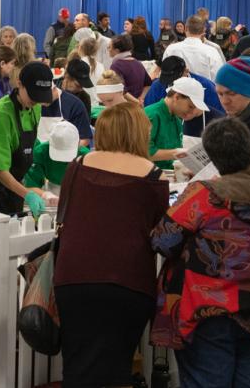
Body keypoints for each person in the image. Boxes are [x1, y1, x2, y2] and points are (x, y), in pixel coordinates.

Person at [148, 117, 250, 387]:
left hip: (209, 308)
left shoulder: (205, 195)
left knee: (207, 380)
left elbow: (163, 242)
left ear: (214, 159)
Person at [51, 102, 169, 386]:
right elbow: (161, 232)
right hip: (128, 280)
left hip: (73, 277)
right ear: (139, 132)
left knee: (76, 366)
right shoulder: (153, 176)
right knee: (116, 367)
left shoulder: (77, 167)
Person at [0, 63, 51, 215]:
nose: (36, 101)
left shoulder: (35, 108)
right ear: (19, 84)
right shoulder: (0, 115)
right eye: (33, 95)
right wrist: (27, 193)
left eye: (40, 97)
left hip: (15, 189)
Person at [146, 77, 209, 170]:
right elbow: (144, 152)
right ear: (177, 97)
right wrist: (176, 153)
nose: (192, 112)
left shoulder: (176, 119)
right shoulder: (151, 115)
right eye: (190, 106)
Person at [21, 120, 87, 196]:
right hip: (51, 192)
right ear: (50, 143)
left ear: (78, 143)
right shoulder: (41, 152)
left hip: (79, 192)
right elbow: (31, 184)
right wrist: (44, 195)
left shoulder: (86, 157)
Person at [166, 16, 227, 82]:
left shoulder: (171, 49)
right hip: (205, 91)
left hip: (175, 90)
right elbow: (218, 79)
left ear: (185, 28)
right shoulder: (212, 52)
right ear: (204, 30)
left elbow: (165, 75)